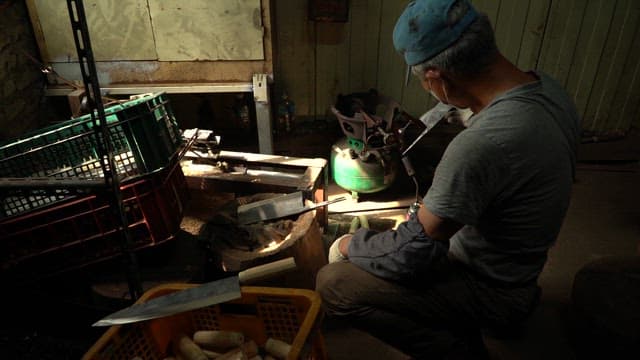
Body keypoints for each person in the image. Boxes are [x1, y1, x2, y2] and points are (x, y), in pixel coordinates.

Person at [315, 0, 581, 358]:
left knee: (334, 283)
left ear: (436, 77)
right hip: (521, 268)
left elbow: (412, 255)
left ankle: (460, 349)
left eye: (424, 81)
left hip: (491, 288)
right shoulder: (548, 89)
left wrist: (349, 245)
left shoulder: (483, 144)